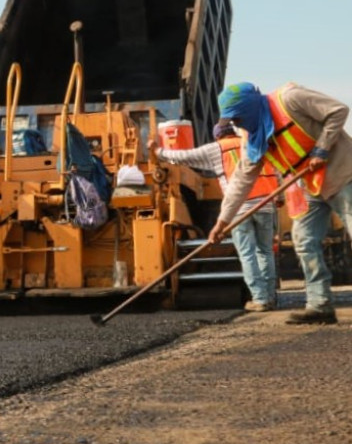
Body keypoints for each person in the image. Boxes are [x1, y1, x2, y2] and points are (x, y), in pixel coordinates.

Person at [207, 82, 352, 325]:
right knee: (304, 242)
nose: (238, 125)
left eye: (239, 118)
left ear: (251, 108)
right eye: (233, 121)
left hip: (342, 174)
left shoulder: (290, 98)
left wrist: (321, 148)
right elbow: (240, 183)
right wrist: (222, 222)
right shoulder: (254, 139)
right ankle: (320, 305)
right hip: (309, 187)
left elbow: (338, 110)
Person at [150, 122, 280, 311]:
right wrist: (280, 196)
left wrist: (158, 152)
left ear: (218, 136)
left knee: (247, 254)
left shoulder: (216, 149)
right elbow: (275, 169)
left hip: (239, 209)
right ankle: (269, 297)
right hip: (264, 205)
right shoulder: (252, 143)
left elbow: (185, 157)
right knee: (265, 251)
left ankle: (260, 299)